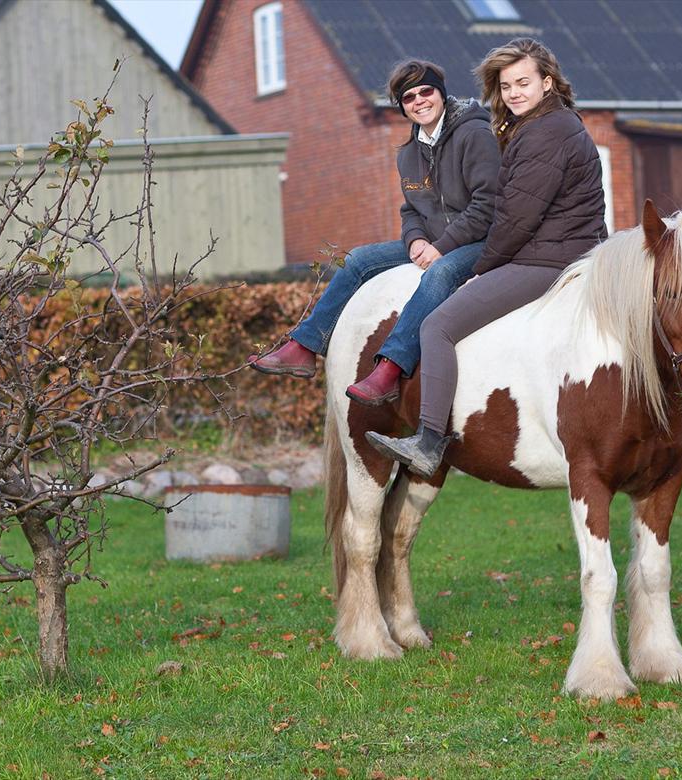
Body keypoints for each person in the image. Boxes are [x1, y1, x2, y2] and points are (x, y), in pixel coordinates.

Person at [367, 38, 607, 474]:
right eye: (506, 85)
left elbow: (514, 220)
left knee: (437, 325)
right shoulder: (545, 125)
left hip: (546, 260)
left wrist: (481, 269)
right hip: (561, 249)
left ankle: (428, 440)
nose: (514, 93)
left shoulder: (545, 133)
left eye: (523, 83)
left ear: (547, 82)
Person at [249, 59, 499, 405]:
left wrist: (441, 246)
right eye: (409, 97)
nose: (419, 101)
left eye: (426, 91)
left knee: (438, 275)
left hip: (478, 241)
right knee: (358, 260)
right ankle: (304, 347)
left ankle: (391, 368)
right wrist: (415, 239)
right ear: (402, 107)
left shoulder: (475, 135)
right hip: (433, 241)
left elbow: (488, 205)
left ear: (441, 93)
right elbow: (412, 208)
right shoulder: (409, 153)